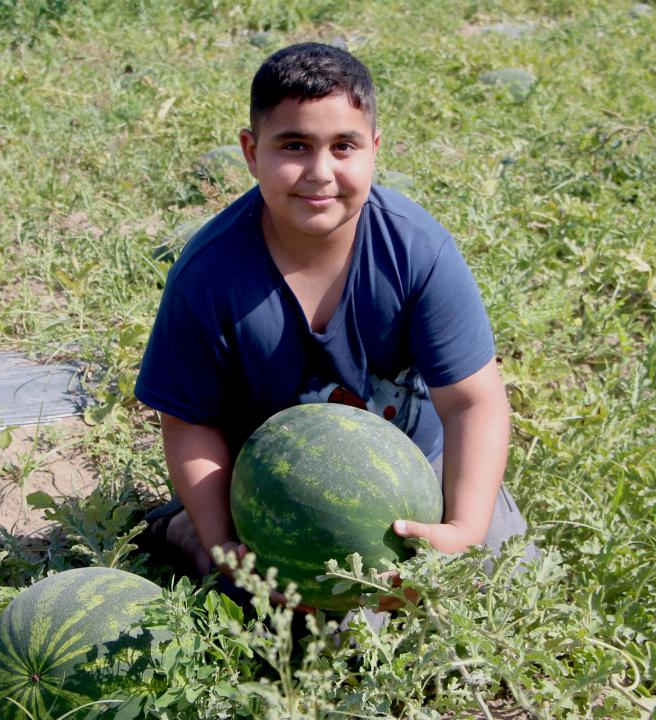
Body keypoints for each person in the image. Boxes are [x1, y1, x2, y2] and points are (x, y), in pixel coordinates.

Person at [134, 42, 530, 616]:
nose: (320, 173)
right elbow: (189, 423)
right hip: (280, 490)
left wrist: (464, 531)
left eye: (343, 147)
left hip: (418, 467)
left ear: (374, 148)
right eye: (294, 145)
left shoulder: (416, 251)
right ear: (250, 151)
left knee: (499, 569)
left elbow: (475, 403)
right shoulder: (209, 276)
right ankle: (183, 531)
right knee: (265, 620)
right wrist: (225, 546)